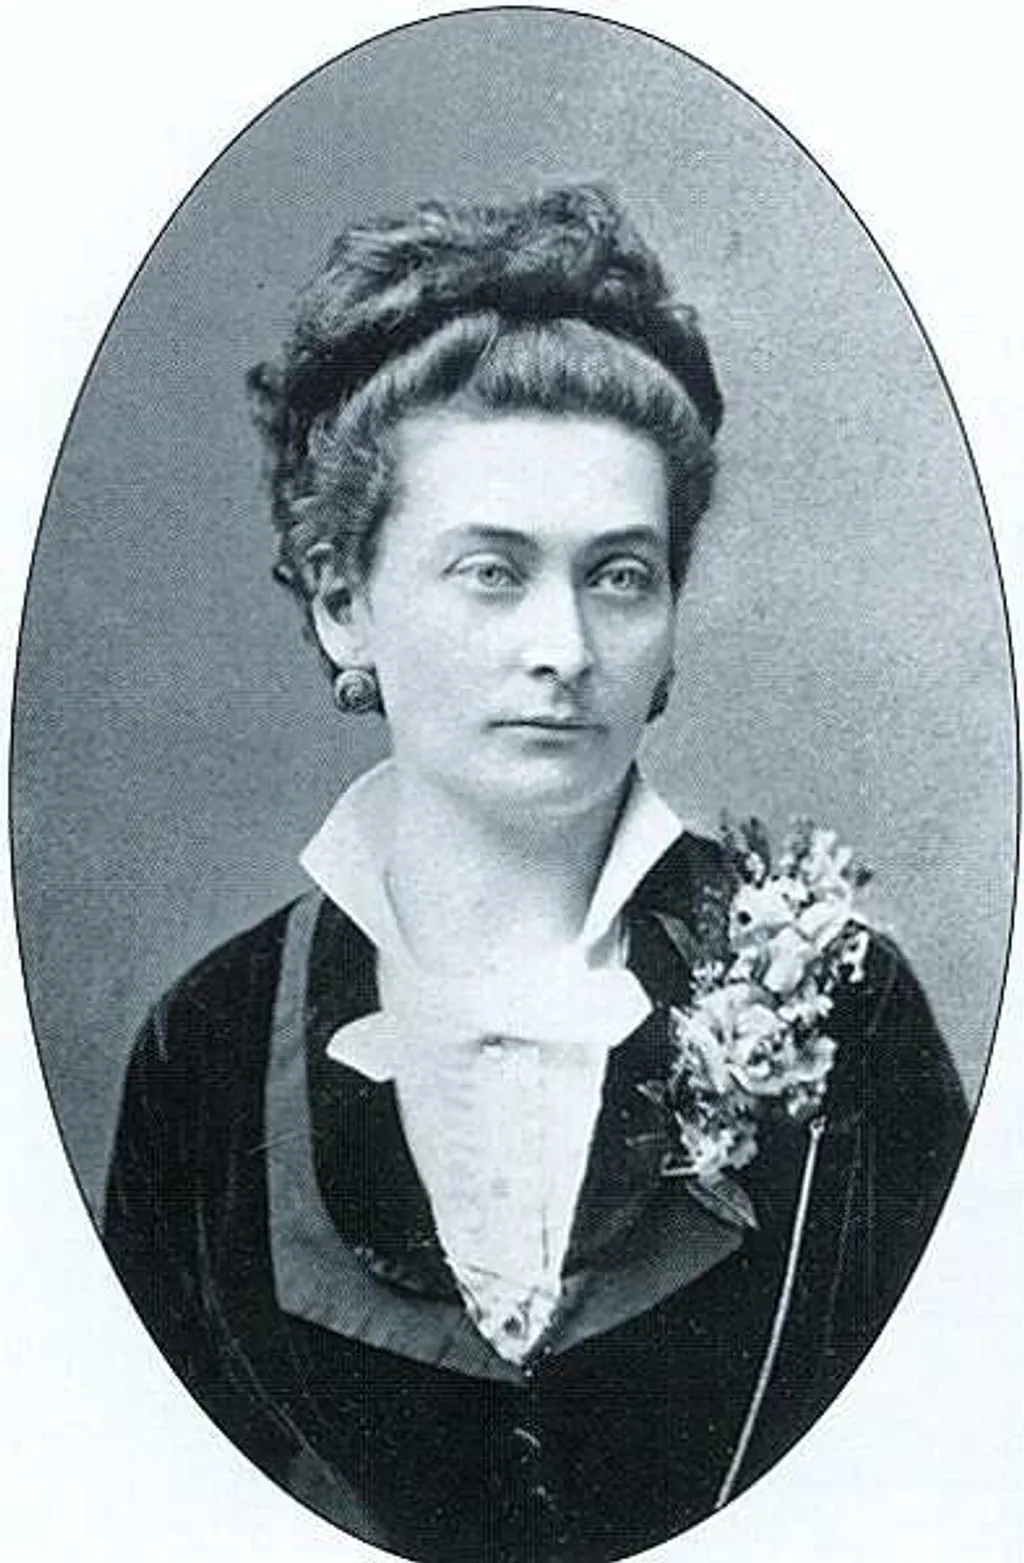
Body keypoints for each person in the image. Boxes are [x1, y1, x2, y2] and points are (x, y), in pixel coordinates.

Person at [103, 185, 968, 1562]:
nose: (564, 647)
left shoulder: (846, 1008)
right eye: (493, 573)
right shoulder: (205, 1049)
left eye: (619, 575)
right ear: (344, 601)